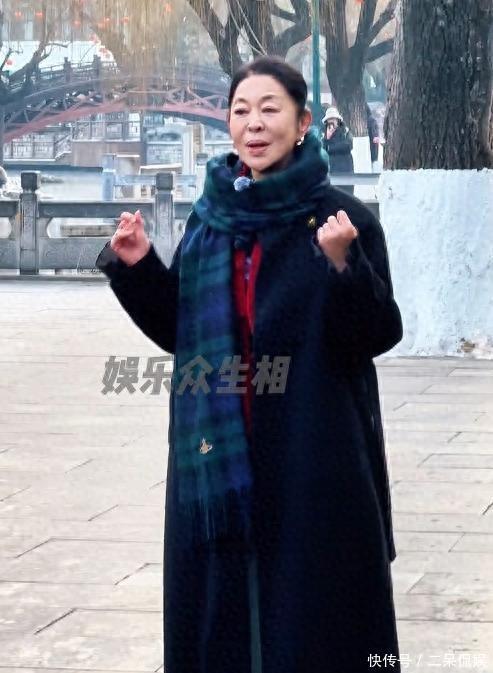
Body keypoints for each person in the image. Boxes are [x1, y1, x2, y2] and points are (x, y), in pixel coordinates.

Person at [96, 56, 403, 673]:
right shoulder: (210, 221)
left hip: (312, 451)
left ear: (303, 122)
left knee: (321, 619)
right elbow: (182, 333)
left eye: (269, 109)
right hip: (218, 456)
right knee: (224, 620)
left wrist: (343, 264)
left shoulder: (340, 218)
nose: (254, 124)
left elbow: (377, 333)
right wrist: (139, 268)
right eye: (241, 111)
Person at [322, 106, 354, 194]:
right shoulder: (324, 134)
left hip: (346, 169)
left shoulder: (345, 131)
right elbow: (323, 150)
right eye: (329, 119)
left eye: (333, 119)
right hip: (332, 170)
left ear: (338, 120)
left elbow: (348, 146)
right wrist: (327, 138)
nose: (331, 122)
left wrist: (330, 148)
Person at [367, 103, 381, 171]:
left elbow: (375, 136)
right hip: (373, 145)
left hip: (371, 145)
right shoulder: (372, 120)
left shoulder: (371, 121)